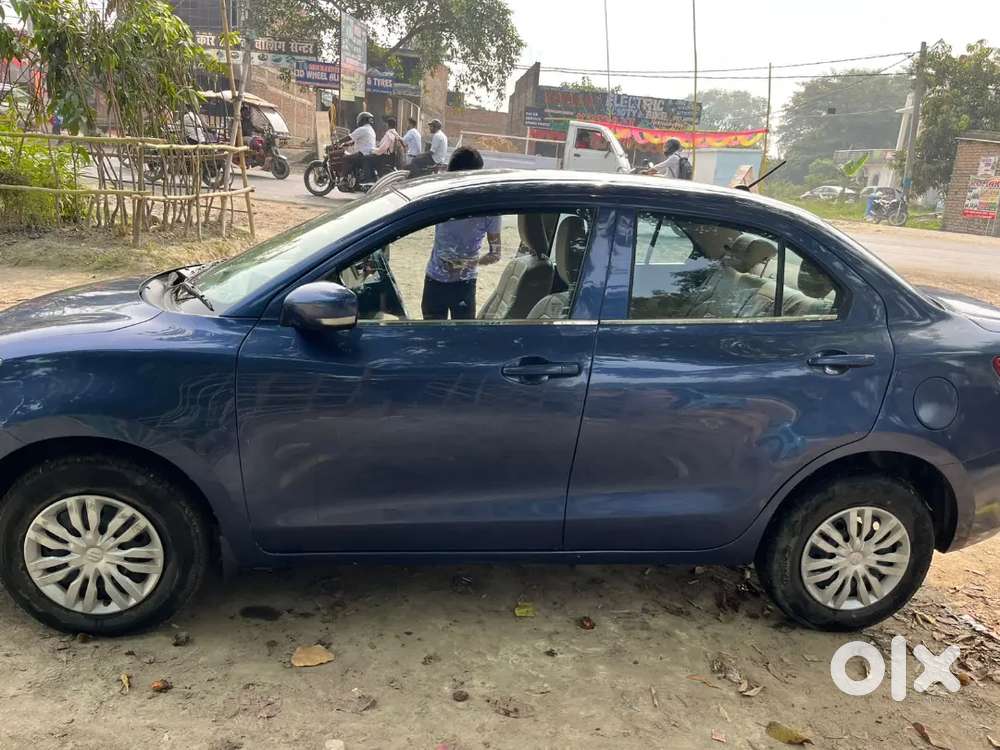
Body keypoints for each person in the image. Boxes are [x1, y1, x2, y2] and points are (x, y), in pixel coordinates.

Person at [421, 147, 501, 320]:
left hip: (464, 284)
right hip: (435, 279)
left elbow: (495, 254)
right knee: (431, 334)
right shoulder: (442, 197)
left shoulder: (488, 208)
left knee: (461, 335)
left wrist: (466, 264)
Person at [341, 111, 377, 181]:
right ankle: (353, 177)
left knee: (345, 158)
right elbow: (361, 141)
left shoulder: (362, 129)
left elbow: (349, 137)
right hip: (369, 153)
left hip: (362, 153)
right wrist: (346, 144)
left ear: (363, 120)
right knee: (351, 157)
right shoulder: (370, 129)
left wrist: (338, 142)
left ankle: (343, 179)